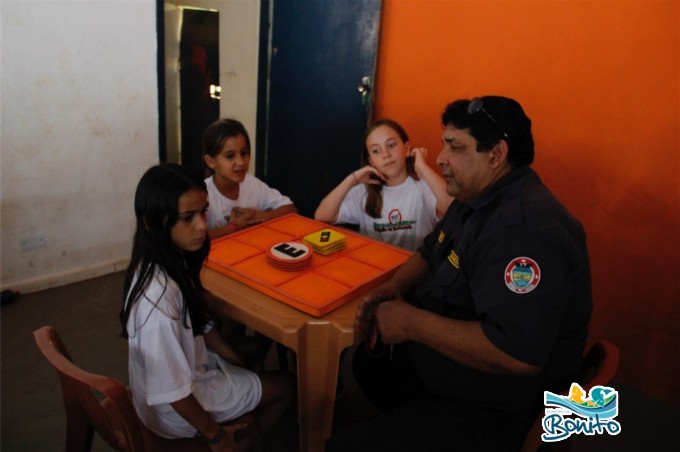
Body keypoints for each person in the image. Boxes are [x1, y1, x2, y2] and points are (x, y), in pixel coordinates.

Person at [326, 96, 592, 451]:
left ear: (496, 154)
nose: (439, 158)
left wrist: (410, 323)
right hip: (461, 371)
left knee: (343, 446)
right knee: (371, 365)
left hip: (499, 406)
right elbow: (430, 250)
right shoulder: (474, 197)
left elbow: (516, 354)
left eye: (454, 147)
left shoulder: (523, 230)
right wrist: (394, 287)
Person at [120, 163, 294, 451]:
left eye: (203, 211)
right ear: (153, 222)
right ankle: (240, 442)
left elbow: (200, 321)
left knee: (245, 354)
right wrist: (214, 434)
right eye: (188, 217)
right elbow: (173, 393)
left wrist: (231, 358)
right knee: (286, 386)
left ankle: (244, 431)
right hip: (175, 411)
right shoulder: (159, 302)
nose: (202, 225)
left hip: (183, 380)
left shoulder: (161, 260)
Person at [315, 119, 453, 250]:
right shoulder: (364, 190)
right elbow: (322, 215)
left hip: (417, 269)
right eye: (376, 151)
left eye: (391, 145)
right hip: (378, 267)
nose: (385, 154)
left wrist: (422, 167)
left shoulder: (423, 185)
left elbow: (451, 208)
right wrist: (353, 179)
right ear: (371, 161)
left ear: (407, 148)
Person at [203, 118, 297, 239]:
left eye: (244, 153)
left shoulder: (251, 183)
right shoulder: (203, 194)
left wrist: (256, 217)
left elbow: (291, 209)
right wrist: (233, 227)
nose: (241, 162)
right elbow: (192, 240)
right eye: (230, 156)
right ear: (211, 161)